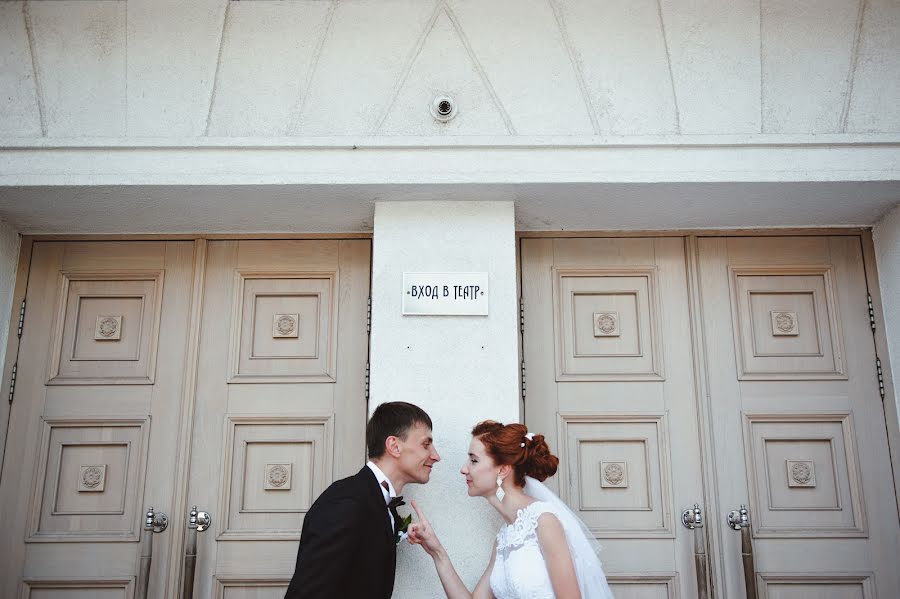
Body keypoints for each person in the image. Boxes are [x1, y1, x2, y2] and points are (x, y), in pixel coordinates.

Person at [407, 420, 613, 599]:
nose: (464, 468)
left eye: (474, 460)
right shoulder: (505, 538)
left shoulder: (544, 521)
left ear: (503, 469)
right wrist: (437, 552)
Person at [284, 401, 440, 599]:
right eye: (426, 444)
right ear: (394, 446)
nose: (436, 456)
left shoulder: (378, 502)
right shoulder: (347, 503)